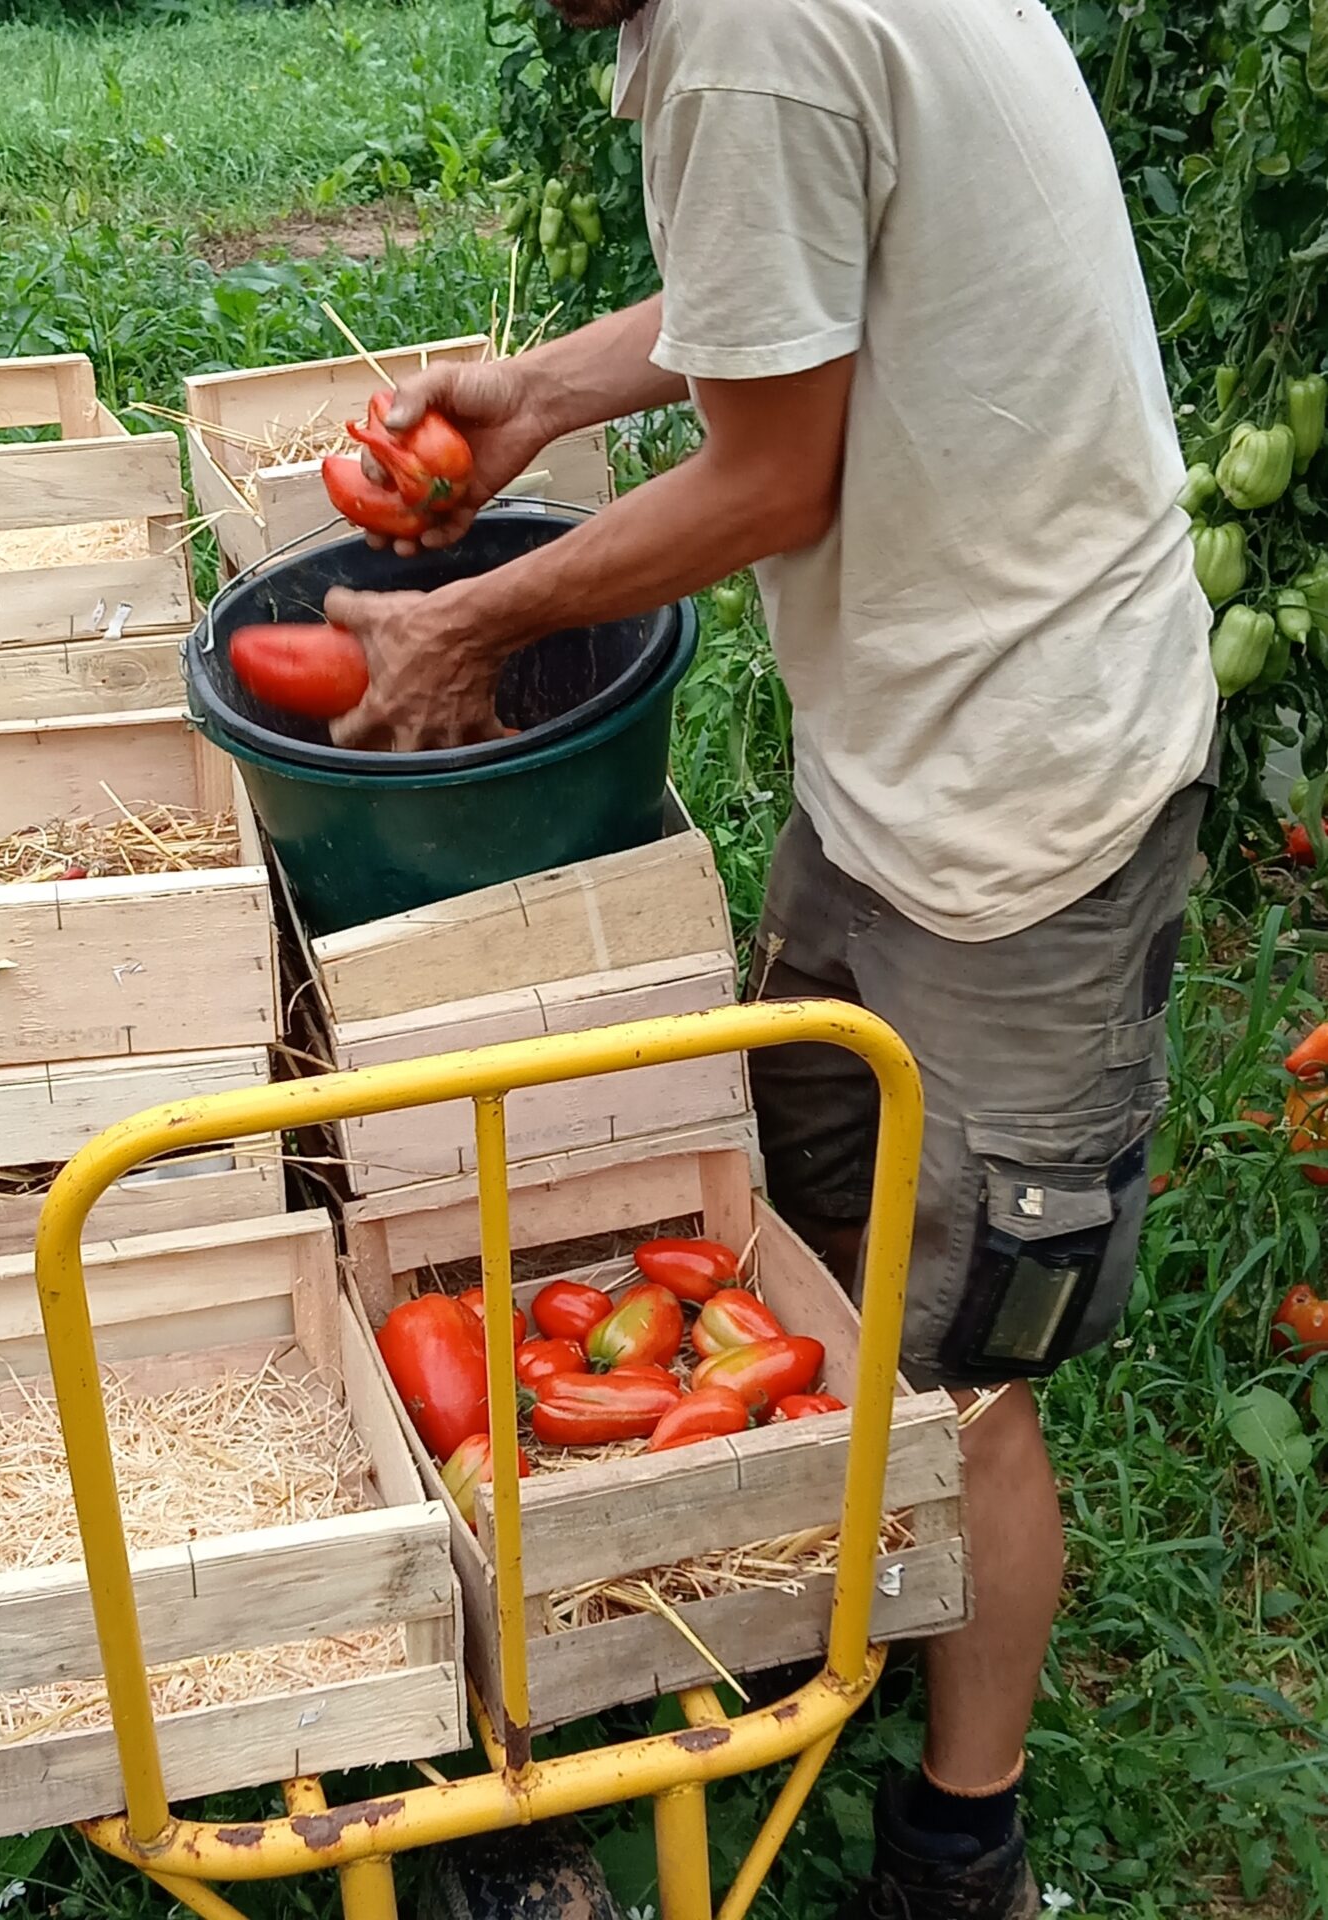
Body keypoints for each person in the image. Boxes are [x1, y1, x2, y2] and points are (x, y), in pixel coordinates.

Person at [324, 0, 1218, 1909]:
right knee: (811, 1243)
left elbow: (770, 481)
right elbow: (803, 295)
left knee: (971, 1370)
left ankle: (960, 1838)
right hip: (920, 746)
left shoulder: (745, 32)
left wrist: (463, 625)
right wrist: (544, 395)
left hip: (1024, 804)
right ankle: (829, 1593)